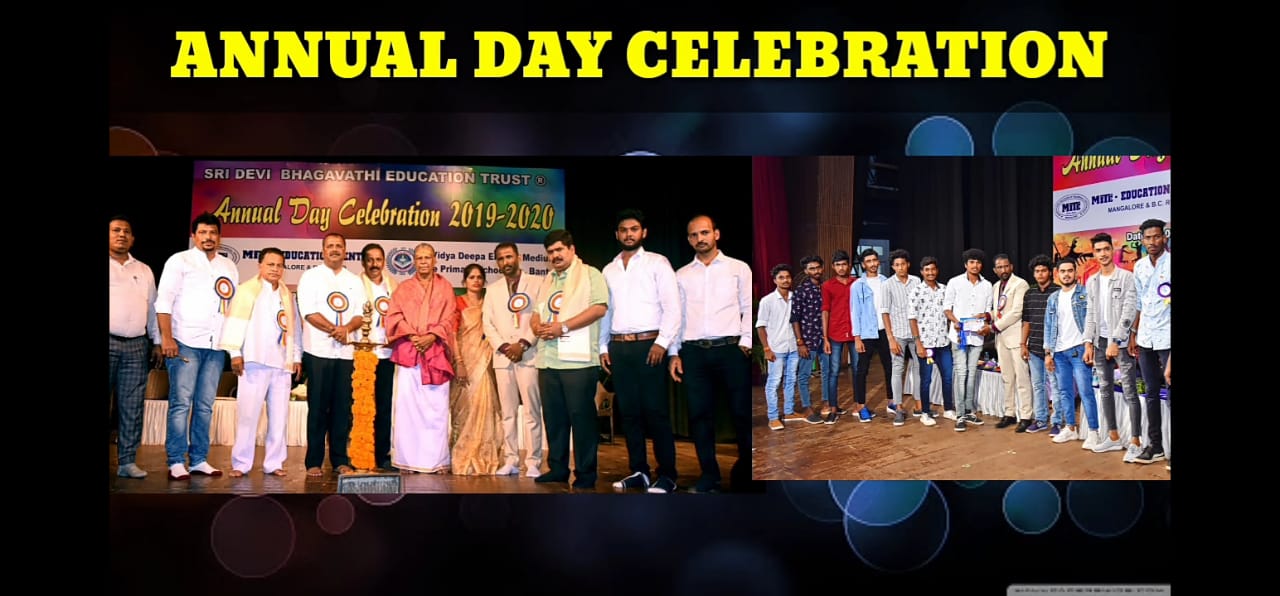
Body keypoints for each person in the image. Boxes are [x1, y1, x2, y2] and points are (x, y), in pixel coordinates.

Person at [668, 215, 753, 493]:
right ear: (689, 239)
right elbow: (676, 316)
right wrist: (674, 353)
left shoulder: (738, 268)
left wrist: (746, 342)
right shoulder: (681, 275)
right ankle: (709, 476)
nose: (700, 238)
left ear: (716, 234)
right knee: (700, 417)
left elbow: (748, 306)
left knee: (742, 414)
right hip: (694, 353)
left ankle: (747, 474)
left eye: (704, 232)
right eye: (694, 235)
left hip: (730, 350)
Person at [600, 209, 682, 494]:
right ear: (617, 234)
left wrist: (663, 343)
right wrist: (603, 346)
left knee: (656, 412)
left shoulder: (658, 262)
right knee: (630, 414)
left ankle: (668, 475)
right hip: (619, 347)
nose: (628, 234)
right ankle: (639, 471)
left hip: (650, 345)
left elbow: (673, 307)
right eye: (623, 230)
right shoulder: (608, 269)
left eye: (634, 229)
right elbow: (606, 312)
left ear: (643, 232)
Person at [155, 212, 239, 480]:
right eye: (202, 232)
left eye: (213, 232)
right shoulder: (179, 260)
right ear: (194, 235)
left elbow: (232, 308)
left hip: (216, 346)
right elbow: (163, 301)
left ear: (220, 237)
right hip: (185, 342)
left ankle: (199, 459)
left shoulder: (229, 266)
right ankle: (176, 460)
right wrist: (166, 338)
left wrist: (233, 347)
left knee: (205, 405)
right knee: (181, 403)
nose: (208, 237)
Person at [530, 230, 610, 490]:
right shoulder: (548, 279)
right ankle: (558, 469)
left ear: (572, 249)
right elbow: (536, 312)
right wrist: (536, 325)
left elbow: (599, 308)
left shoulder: (590, 274)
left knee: (582, 419)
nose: (555, 256)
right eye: (550, 252)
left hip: (578, 362)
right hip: (548, 360)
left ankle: (586, 473)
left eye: (559, 250)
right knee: (554, 419)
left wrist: (562, 327)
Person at [218, 248, 302, 477]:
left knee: (279, 418)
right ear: (260, 266)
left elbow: (295, 329)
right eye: (270, 264)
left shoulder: (287, 295)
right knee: (247, 416)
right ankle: (240, 464)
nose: (275, 269)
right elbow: (233, 323)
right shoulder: (246, 291)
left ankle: (274, 463)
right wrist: (234, 353)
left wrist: (296, 356)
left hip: (281, 364)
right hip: (253, 361)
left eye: (279, 265)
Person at [385, 243, 458, 474]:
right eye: (419, 258)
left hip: (435, 352)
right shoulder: (403, 288)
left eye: (428, 257)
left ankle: (436, 461)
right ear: (414, 262)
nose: (424, 262)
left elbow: (451, 318)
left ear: (435, 260)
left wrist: (431, 336)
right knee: (408, 409)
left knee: (436, 408)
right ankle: (407, 460)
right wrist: (413, 335)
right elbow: (393, 316)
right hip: (409, 351)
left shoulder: (446, 288)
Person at [296, 233, 366, 477]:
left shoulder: (354, 280)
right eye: (330, 246)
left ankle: (339, 459)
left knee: (342, 409)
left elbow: (360, 314)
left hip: (346, 353)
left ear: (345, 251)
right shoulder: (311, 276)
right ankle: (313, 461)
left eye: (339, 246)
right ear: (323, 250)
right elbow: (308, 311)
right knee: (317, 408)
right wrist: (335, 330)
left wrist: (347, 329)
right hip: (318, 351)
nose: (334, 250)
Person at [482, 242, 545, 478]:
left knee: (531, 411)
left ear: (519, 257)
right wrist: (505, 346)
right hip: (503, 357)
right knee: (508, 413)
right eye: (500, 259)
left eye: (509, 257)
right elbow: (487, 324)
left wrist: (524, 343)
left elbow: (541, 317)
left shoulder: (537, 283)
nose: (505, 262)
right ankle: (511, 460)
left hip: (528, 355)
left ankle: (533, 462)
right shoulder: (493, 289)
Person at [108, 215, 160, 479]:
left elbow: (152, 309)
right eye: (116, 230)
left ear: (133, 239)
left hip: (137, 345)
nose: (121, 235)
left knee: (132, 405)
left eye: (126, 231)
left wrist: (157, 341)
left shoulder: (144, 270)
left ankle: (127, 462)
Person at [1082, 233, 1138, 456]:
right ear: (1094, 253)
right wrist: (1088, 342)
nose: (1103, 254)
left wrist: (1116, 340)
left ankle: (1135, 441)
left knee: (1129, 390)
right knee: (1105, 389)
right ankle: (1113, 437)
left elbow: (1129, 311)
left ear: (1112, 251)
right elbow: (1090, 314)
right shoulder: (1092, 281)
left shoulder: (1126, 277)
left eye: (1106, 249)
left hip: (1120, 342)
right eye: (1098, 250)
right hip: (1099, 341)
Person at [449, 263, 504, 475]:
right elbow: (453, 334)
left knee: (486, 405)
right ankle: (462, 453)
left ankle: (484, 455)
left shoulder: (489, 302)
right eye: (471, 277)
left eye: (479, 277)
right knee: (464, 408)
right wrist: (459, 362)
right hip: (464, 360)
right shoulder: (458, 303)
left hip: (485, 361)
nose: (476, 281)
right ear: (464, 281)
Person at [1129, 218, 1171, 466]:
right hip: (1146, 337)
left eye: (1157, 236)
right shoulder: (1140, 266)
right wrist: (1133, 332)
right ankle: (1155, 446)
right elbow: (1139, 302)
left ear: (1164, 237)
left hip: (1168, 337)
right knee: (1151, 393)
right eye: (1148, 237)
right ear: (1142, 240)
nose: (1152, 241)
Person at [1044, 259, 1100, 446]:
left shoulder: (1085, 293)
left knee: (1085, 392)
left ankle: (1093, 432)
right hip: (1059, 352)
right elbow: (1048, 326)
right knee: (1064, 392)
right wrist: (1048, 353)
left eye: (1070, 271)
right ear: (1057, 274)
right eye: (1063, 271)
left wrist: (1089, 345)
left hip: (1079, 349)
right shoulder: (1053, 298)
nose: (1066, 274)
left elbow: (1093, 320)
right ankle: (1070, 428)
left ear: (1076, 272)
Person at [942, 248, 993, 432]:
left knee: (972, 374)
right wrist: (955, 322)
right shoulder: (954, 282)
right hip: (959, 336)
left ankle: (969, 411)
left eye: (978, 262)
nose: (975, 265)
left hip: (977, 337)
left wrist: (985, 319)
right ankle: (960, 414)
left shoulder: (987, 285)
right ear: (966, 264)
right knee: (961, 373)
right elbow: (947, 308)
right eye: (972, 262)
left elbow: (988, 310)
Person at [359, 243, 398, 470]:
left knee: (384, 407)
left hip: (386, 353)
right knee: (361, 406)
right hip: (362, 353)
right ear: (363, 262)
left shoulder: (393, 286)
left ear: (384, 262)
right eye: (370, 260)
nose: (375, 264)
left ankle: (382, 455)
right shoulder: (355, 284)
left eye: (378, 259)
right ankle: (359, 453)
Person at [988, 254, 1033, 432]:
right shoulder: (996, 286)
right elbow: (998, 310)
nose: (1003, 270)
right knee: (1007, 378)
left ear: (1011, 267)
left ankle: (1026, 415)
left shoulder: (1020, 284)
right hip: (1001, 339)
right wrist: (987, 316)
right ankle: (1009, 413)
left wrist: (993, 327)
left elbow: (1017, 312)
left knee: (1022, 378)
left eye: (1006, 266)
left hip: (1016, 338)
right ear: (995, 270)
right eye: (1000, 267)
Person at [877, 249, 922, 426]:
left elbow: (920, 308)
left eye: (903, 264)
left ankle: (919, 405)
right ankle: (899, 407)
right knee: (897, 369)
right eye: (897, 265)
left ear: (908, 265)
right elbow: (885, 312)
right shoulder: (887, 285)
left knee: (919, 368)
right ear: (893, 267)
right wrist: (890, 338)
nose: (900, 267)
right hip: (898, 334)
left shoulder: (916, 281)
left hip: (915, 333)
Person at [848, 249, 893, 422]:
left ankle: (891, 401)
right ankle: (860, 406)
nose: (873, 264)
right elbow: (855, 312)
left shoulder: (886, 282)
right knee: (862, 370)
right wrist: (857, 337)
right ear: (863, 264)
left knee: (890, 367)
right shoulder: (858, 285)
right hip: (867, 332)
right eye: (868, 261)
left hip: (884, 331)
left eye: (875, 260)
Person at [906, 256, 948, 427]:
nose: (930, 272)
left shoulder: (944, 290)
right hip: (927, 345)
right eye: (927, 270)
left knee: (947, 376)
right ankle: (924, 412)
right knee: (926, 379)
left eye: (933, 269)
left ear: (937, 270)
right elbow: (912, 319)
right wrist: (918, 344)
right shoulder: (916, 292)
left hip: (943, 343)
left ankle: (949, 409)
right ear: (922, 272)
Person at [1019, 255, 1058, 434]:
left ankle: (1057, 421)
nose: (1040, 274)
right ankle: (1041, 419)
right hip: (1034, 347)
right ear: (1033, 274)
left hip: (1054, 348)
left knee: (1055, 386)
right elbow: (1026, 321)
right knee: (1038, 385)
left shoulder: (1058, 292)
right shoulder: (1030, 293)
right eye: (1037, 271)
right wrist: (1023, 344)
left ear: (1050, 272)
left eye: (1043, 270)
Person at [757, 264, 798, 431]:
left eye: (787, 277)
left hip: (793, 347)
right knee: (774, 382)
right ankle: (773, 417)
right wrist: (767, 349)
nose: (785, 280)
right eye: (781, 277)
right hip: (776, 348)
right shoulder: (767, 301)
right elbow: (760, 326)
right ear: (774, 280)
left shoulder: (795, 298)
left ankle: (788, 412)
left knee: (791, 380)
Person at [819, 250, 857, 424]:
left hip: (855, 332)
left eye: (844, 264)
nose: (841, 268)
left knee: (857, 370)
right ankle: (833, 408)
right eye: (838, 265)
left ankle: (859, 405)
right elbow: (825, 311)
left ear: (849, 265)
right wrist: (825, 338)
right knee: (833, 371)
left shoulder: (856, 283)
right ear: (833, 267)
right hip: (835, 333)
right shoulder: (827, 286)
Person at [788, 255, 825, 424]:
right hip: (808, 340)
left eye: (818, 267)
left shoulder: (825, 288)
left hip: (825, 338)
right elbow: (795, 318)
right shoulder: (801, 291)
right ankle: (807, 407)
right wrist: (800, 342)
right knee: (804, 375)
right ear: (806, 271)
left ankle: (827, 403)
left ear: (822, 268)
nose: (816, 271)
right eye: (812, 268)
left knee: (827, 373)